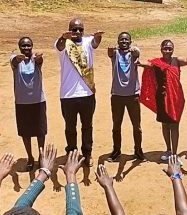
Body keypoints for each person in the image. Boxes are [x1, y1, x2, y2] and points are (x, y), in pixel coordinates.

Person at [138, 40, 187, 161]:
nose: (167, 51)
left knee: (174, 125)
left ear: (173, 50)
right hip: (161, 98)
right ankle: (168, 150)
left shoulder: (177, 61)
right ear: (161, 49)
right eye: (165, 48)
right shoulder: (156, 63)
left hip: (176, 98)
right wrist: (135, 59)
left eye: (170, 48)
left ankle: (175, 154)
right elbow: (145, 64)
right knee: (165, 124)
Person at [56, 18, 102, 166]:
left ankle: (87, 154)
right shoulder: (64, 44)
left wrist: (98, 37)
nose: (77, 32)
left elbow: (95, 43)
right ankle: (72, 154)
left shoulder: (87, 42)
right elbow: (59, 45)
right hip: (68, 95)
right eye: (74, 29)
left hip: (87, 93)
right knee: (70, 128)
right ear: (69, 30)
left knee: (87, 126)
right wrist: (63, 37)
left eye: (80, 29)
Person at [11, 37, 47, 172]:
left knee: (40, 131)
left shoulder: (35, 59)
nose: (26, 48)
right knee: (25, 132)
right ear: (19, 47)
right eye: (23, 46)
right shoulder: (15, 60)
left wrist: (38, 58)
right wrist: (17, 59)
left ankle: (41, 156)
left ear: (32, 46)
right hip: (22, 102)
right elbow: (14, 62)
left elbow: (39, 61)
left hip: (38, 100)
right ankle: (30, 157)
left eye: (28, 45)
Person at [107, 32, 144, 162]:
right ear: (118, 42)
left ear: (130, 41)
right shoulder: (115, 54)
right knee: (116, 125)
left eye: (126, 40)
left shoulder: (133, 54)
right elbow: (109, 52)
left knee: (136, 126)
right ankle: (116, 150)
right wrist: (112, 49)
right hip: (117, 95)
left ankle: (138, 150)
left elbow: (137, 52)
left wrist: (134, 50)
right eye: (121, 40)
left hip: (133, 95)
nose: (124, 42)